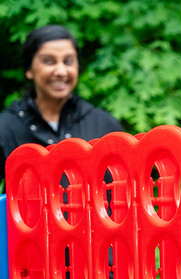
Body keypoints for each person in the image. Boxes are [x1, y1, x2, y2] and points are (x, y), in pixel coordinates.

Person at [0, 24, 123, 182]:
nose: (61, 71)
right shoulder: (5, 129)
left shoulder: (105, 125)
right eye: (49, 61)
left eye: (68, 61)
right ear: (29, 69)